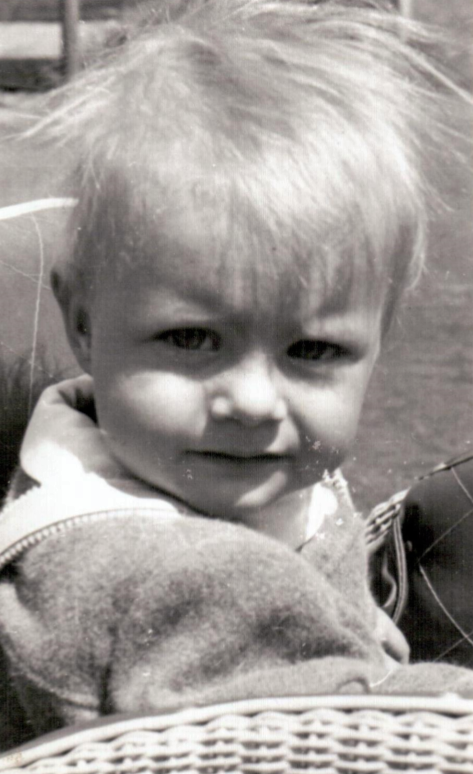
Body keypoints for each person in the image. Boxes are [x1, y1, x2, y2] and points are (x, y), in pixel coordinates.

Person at [1, 0, 473, 751]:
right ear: (82, 324)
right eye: (191, 339)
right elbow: (329, 731)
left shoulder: (176, 460)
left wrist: (356, 629)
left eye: (313, 351)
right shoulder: (159, 576)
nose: (253, 401)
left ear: (377, 339)